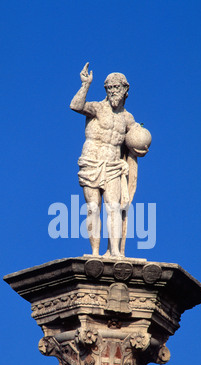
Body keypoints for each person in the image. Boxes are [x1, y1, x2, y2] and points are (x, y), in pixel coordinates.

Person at [70, 62, 147, 258]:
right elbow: (75, 105)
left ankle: (114, 252)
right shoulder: (97, 108)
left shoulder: (128, 119)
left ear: (125, 89)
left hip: (114, 165)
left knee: (114, 207)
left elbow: (137, 142)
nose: (113, 91)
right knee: (93, 207)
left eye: (116, 87)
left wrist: (141, 146)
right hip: (92, 161)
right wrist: (85, 85)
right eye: (109, 88)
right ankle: (95, 253)